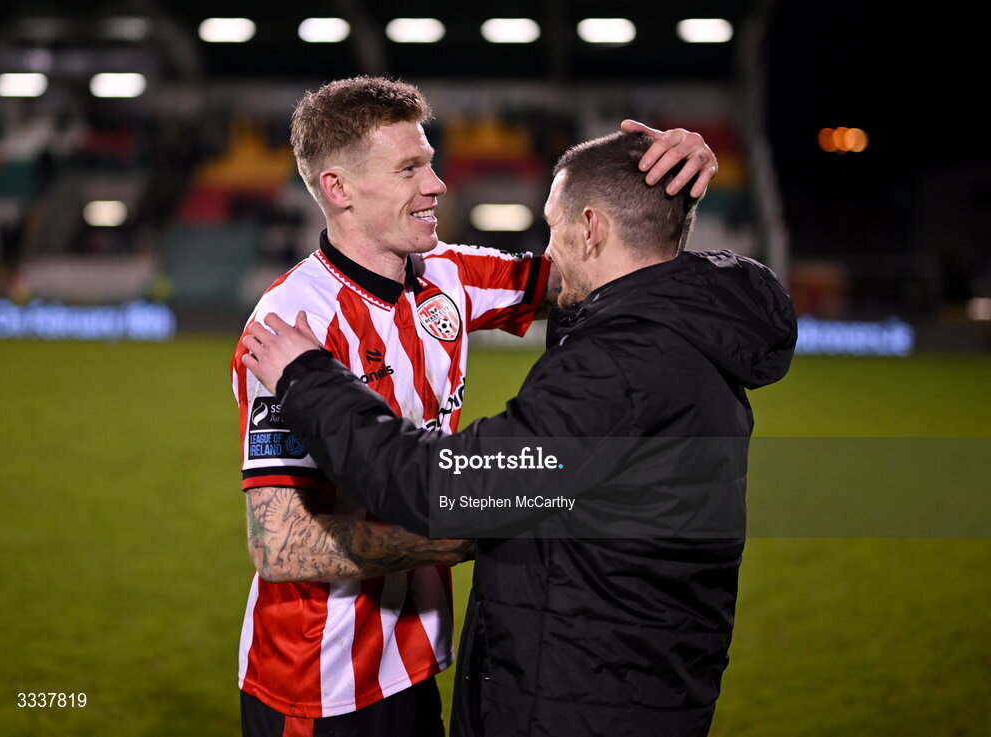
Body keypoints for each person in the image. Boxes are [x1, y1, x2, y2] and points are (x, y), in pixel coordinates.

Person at [239, 130, 797, 737]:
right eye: (409, 169)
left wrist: (496, 517)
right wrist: (666, 199)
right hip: (321, 679)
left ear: (589, 229)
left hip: (555, 685)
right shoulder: (290, 319)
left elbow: (442, 488)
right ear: (337, 187)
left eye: (554, 228)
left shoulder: (608, 361)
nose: (437, 184)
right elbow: (280, 546)